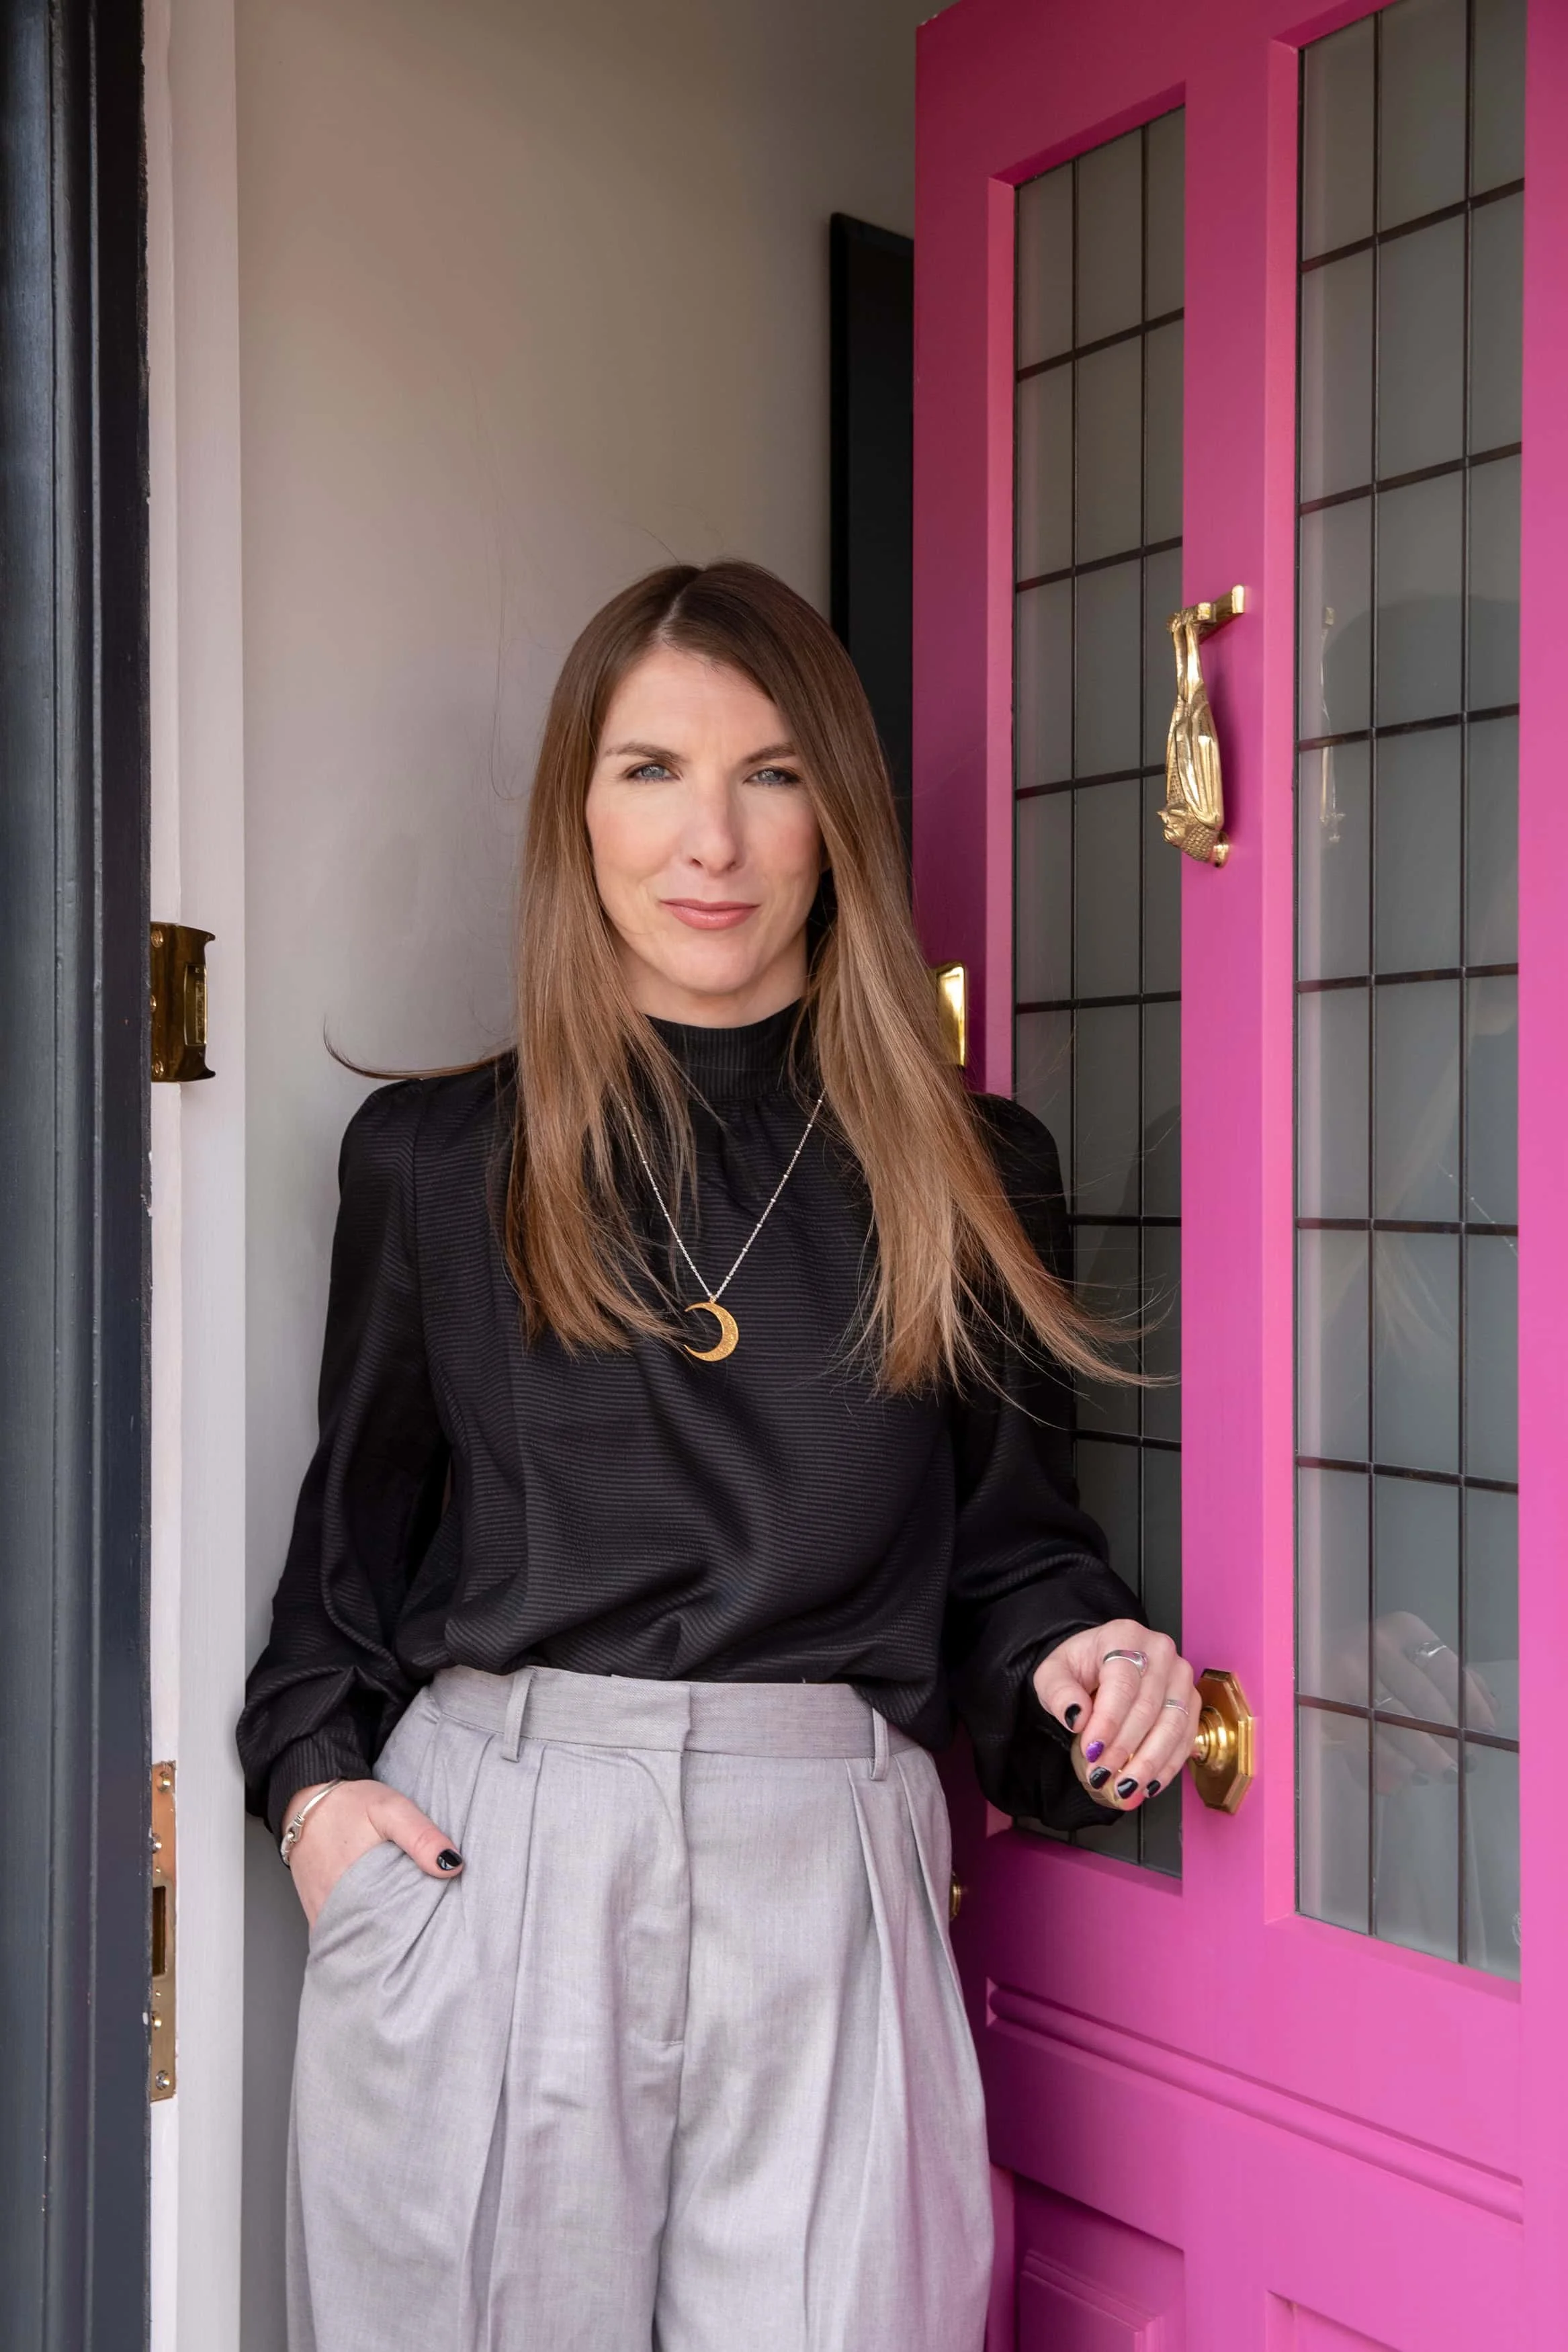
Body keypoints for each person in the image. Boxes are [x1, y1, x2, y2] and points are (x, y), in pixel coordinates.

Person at [236, 560, 1199, 2352]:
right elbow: (344, 1588)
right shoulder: (439, 1164)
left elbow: (1005, 1559)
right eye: (650, 769)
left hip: (824, 1867)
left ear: (835, 815)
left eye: (770, 772)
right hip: (496, 1868)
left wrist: (1084, 1659)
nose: (713, 840)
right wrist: (317, 1810)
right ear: (572, 815)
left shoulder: (969, 1168)